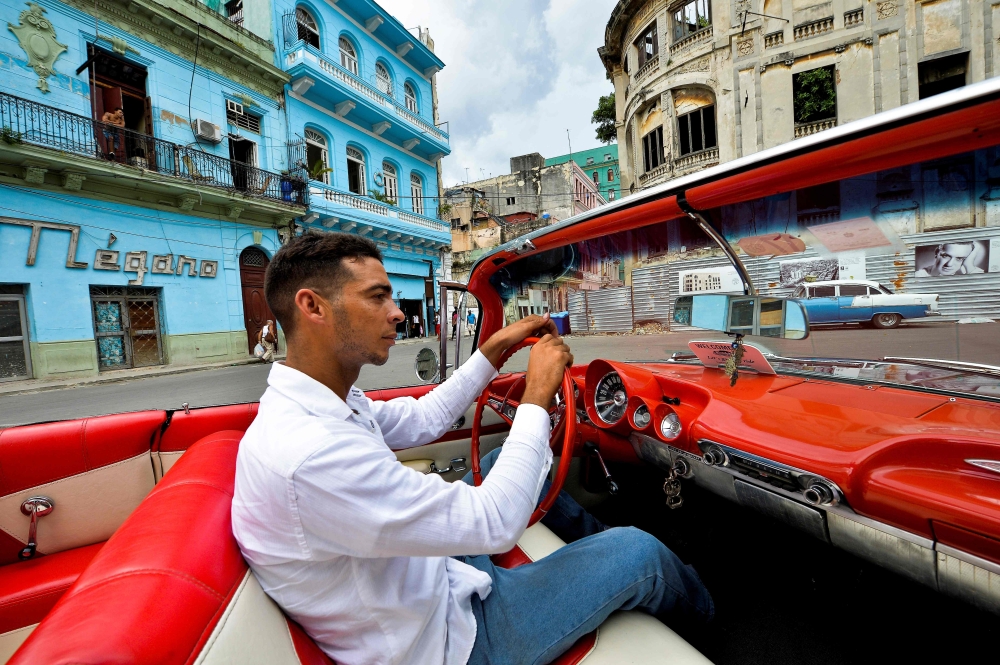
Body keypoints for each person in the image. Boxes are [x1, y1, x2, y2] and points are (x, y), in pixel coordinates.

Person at [231, 232, 712, 665]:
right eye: (377, 296)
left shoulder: (318, 402)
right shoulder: (312, 455)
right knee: (638, 551)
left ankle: (592, 554)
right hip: (448, 641)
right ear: (312, 307)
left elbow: (422, 418)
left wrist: (494, 348)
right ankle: (710, 622)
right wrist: (536, 399)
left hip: (424, 579)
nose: (397, 311)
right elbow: (497, 524)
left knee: (511, 461)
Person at [916, 241, 985, 276]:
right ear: (936, 253)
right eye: (945, 256)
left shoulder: (971, 271)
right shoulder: (919, 276)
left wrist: (969, 265)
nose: (949, 264)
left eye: (959, 258)